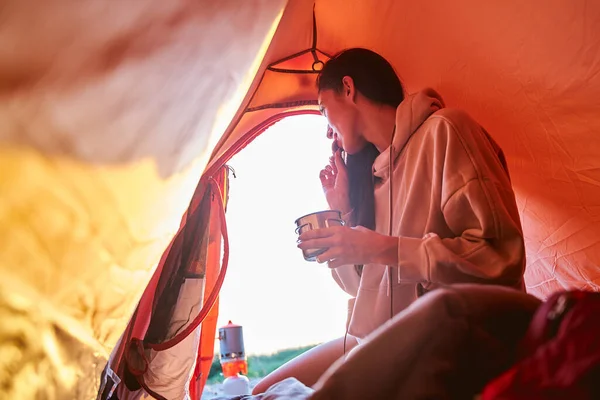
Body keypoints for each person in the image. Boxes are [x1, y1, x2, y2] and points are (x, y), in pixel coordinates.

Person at [252, 48, 526, 395]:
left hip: (446, 345)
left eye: (323, 109)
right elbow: (360, 288)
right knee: (262, 390)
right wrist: (345, 212)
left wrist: (386, 248)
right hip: (380, 341)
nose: (326, 132)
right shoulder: (374, 179)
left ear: (348, 89)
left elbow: (501, 259)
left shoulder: (446, 131)